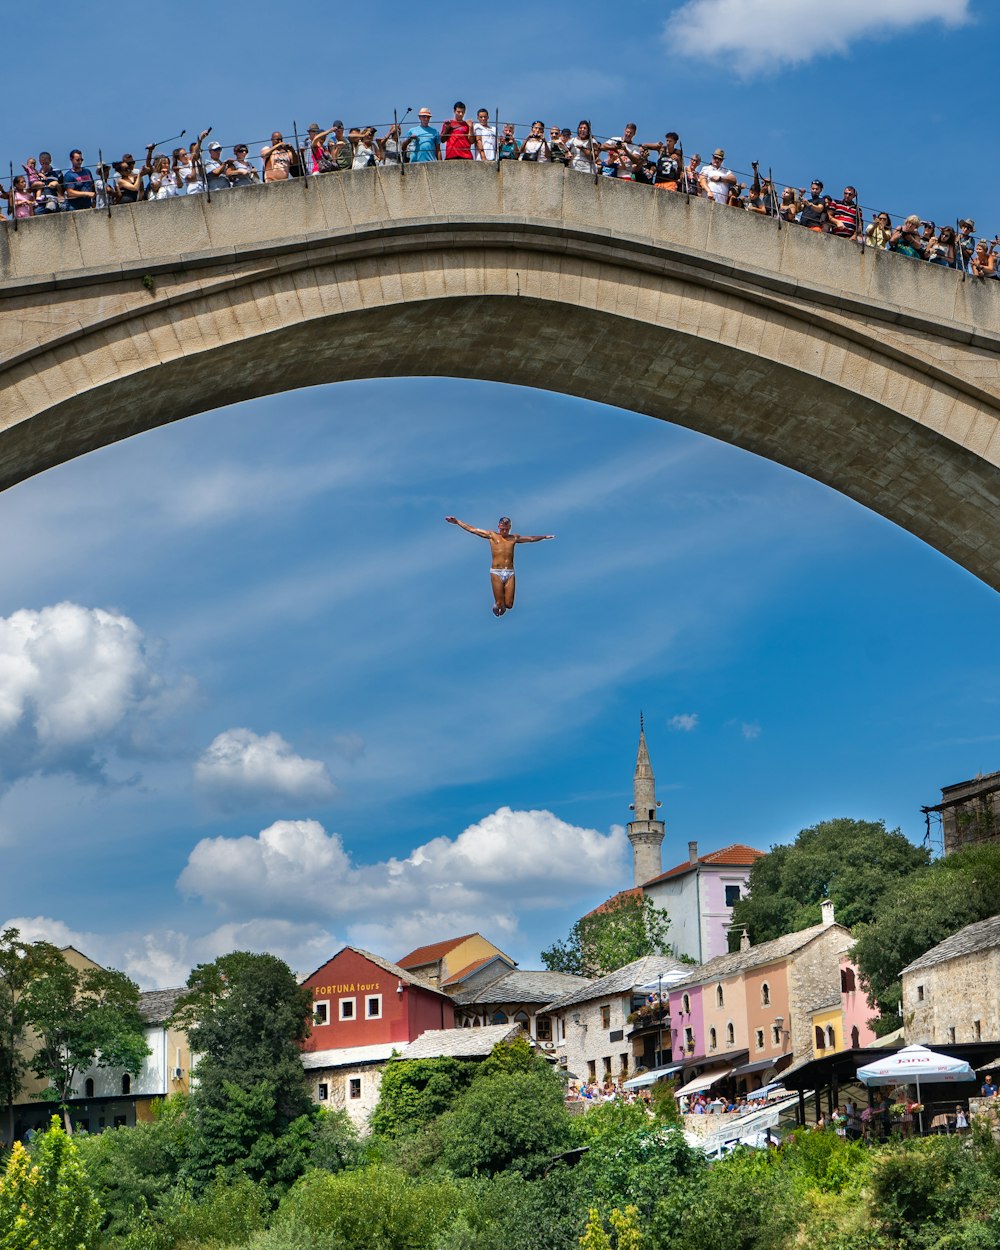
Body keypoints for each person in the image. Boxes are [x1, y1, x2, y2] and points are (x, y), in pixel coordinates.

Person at [444, 515, 554, 616]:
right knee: (501, 603)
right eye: (502, 529)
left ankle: (501, 604)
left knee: (509, 605)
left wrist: (543, 537)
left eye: (507, 529)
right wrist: (457, 522)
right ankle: (497, 604)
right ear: (498, 526)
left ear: (510, 527)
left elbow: (530, 539)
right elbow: (473, 529)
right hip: (496, 572)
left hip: (510, 572)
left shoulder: (513, 538)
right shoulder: (492, 535)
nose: (505, 531)